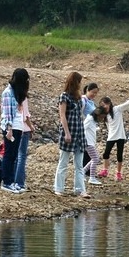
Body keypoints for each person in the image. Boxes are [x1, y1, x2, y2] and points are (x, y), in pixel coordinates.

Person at [53, 71, 91, 199]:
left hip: (79, 132)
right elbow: (62, 115)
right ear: (75, 82)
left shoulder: (79, 97)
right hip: (69, 133)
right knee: (63, 162)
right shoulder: (64, 96)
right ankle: (58, 188)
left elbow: (81, 114)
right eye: (79, 82)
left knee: (79, 165)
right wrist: (66, 132)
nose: (81, 84)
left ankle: (80, 190)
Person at [98, 90, 129, 182]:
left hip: (120, 136)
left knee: (119, 155)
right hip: (111, 136)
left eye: (106, 104)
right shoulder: (104, 115)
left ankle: (118, 173)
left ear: (109, 104)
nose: (105, 106)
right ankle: (105, 170)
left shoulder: (117, 109)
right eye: (103, 105)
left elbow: (127, 103)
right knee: (106, 153)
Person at [0, 68, 32, 194]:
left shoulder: (16, 92)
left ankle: (11, 181)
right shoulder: (8, 92)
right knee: (9, 154)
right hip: (11, 128)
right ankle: (7, 182)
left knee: (13, 156)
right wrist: (9, 129)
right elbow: (7, 113)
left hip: (18, 127)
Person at [83, 106, 108, 185]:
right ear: (98, 114)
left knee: (94, 159)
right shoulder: (90, 119)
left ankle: (82, 172)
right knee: (95, 159)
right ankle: (92, 177)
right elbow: (83, 128)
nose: (102, 119)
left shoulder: (92, 120)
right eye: (102, 117)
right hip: (87, 142)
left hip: (89, 142)